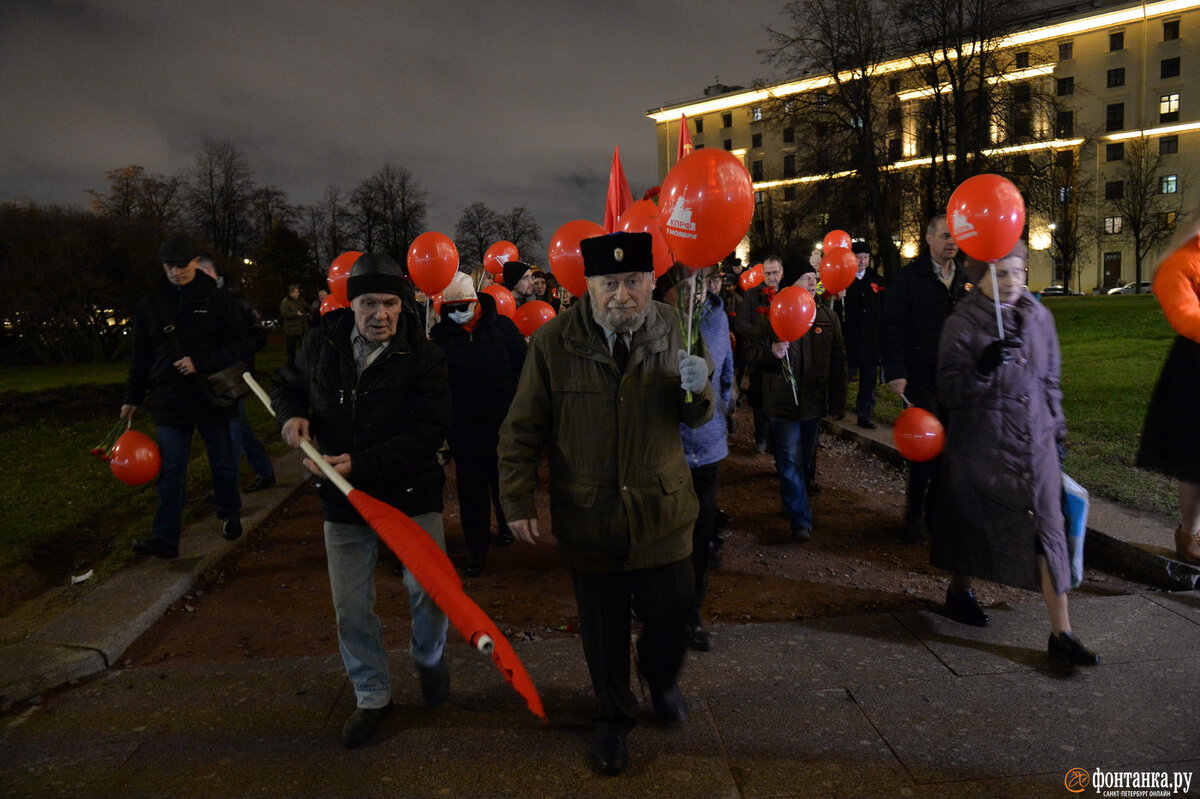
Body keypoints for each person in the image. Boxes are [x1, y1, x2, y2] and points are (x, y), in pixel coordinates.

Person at [498, 232, 713, 776]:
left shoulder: (675, 329)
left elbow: (697, 416)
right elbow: (523, 429)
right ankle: (614, 717)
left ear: (650, 282)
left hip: (661, 513)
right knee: (603, 630)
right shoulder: (553, 343)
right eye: (610, 283)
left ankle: (661, 677)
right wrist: (517, 497)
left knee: (672, 616)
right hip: (590, 516)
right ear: (588, 287)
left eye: (634, 281)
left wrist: (701, 387)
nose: (623, 295)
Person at [270, 253, 453, 748]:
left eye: (390, 302)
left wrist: (362, 463)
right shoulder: (321, 342)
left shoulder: (426, 356)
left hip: (412, 495)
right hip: (342, 499)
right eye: (368, 302)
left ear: (405, 303)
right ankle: (372, 694)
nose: (379, 314)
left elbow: (426, 433)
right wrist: (290, 416)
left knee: (429, 593)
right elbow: (285, 385)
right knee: (351, 606)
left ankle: (430, 656)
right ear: (350, 304)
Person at [932, 242, 1099, 665]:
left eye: (1018, 271)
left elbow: (1050, 380)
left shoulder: (1039, 316)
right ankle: (959, 589)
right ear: (977, 277)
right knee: (975, 528)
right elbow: (950, 392)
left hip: (1037, 445)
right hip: (985, 446)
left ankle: (1062, 633)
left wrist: (1057, 431)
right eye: (1000, 273)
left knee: (1049, 530)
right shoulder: (962, 323)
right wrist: (982, 369)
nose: (1012, 282)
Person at [122, 235, 254, 558]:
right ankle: (166, 538)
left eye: (182, 266)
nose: (176, 272)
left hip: (210, 395)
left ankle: (228, 514)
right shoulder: (151, 304)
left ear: (196, 262)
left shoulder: (217, 300)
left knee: (222, 463)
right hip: (169, 398)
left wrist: (201, 362)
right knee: (170, 470)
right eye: (170, 266)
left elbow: (240, 343)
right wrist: (133, 397)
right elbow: (140, 355)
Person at [655, 265, 734, 652]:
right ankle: (656, 610)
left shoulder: (717, 320)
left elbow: (727, 377)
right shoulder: (654, 324)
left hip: (707, 450)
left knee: (701, 539)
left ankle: (691, 616)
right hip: (666, 452)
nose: (695, 293)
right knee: (666, 540)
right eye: (686, 286)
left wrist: (719, 415)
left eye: (700, 284)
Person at [429, 271, 527, 577]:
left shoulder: (502, 329)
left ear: (477, 302)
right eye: (452, 308)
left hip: (502, 425)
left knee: (502, 483)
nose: (459, 314)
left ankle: (506, 526)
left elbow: (524, 370)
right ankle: (477, 548)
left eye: (465, 306)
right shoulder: (441, 338)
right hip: (464, 428)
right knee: (471, 491)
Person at [880, 214, 968, 542]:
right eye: (945, 236)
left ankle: (934, 514)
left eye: (955, 236)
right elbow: (891, 328)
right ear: (929, 238)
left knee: (950, 455)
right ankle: (914, 513)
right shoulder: (909, 279)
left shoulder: (967, 278)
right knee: (925, 449)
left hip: (958, 381)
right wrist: (896, 372)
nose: (952, 242)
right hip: (921, 378)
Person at [745, 266, 846, 543]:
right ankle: (801, 519)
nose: (814, 281)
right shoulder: (771, 317)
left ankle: (792, 499)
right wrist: (771, 353)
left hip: (812, 403)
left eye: (815, 277)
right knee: (789, 460)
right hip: (782, 402)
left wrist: (838, 401)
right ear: (792, 284)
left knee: (805, 460)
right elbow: (750, 352)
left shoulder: (827, 317)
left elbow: (838, 360)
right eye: (806, 277)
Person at [1136, 212, 1200, 565]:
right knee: (1195, 458)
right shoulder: (1180, 261)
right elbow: (1183, 312)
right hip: (1195, 364)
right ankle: (1189, 534)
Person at [193, 254, 275, 493]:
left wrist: (237, 358)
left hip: (234, 374)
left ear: (209, 273)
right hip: (213, 374)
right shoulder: (203, 301)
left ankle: (227, 488)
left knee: (232, 430)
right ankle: (263, 471)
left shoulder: (234, 301)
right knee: (237, 427)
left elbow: (257, 335)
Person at [735, 255, 785, 454]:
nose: (771, 277)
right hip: (759, 354)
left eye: (775, 273)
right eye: (768, 273)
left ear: (782, 273)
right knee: (758, 398)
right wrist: (762, 330)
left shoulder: (788, 294)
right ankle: (761, 437)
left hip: (782, 356)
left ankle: (775, 439)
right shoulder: (752, 295)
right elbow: (741, 323)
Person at [842, 241, 885, 429]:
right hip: (849, 339)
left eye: (865, 257)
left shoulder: (877, 280)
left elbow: (884, 308)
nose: (862, 261)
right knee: (844, 377)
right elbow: (821, 294)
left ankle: (865, 415)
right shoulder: (842, 278)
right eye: (858, 257)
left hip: (870, 341)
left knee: (869, 383)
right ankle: (835, 408)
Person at [279, 284, 310, 365]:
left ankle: (303, 363)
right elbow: (284, 313)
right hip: (291, 330)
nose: (297, 294)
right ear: (291, 293)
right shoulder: (285, 302)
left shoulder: (300, 300)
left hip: (302, 329)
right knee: (291, 349)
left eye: (298, 292)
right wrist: (295, 314)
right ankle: (291, 364)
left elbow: (307, 307)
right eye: (296, 292)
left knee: (303, 348)